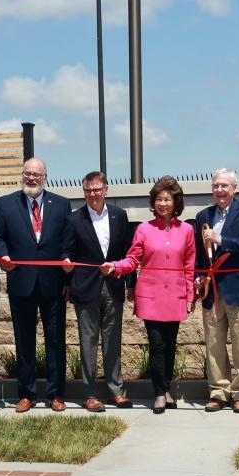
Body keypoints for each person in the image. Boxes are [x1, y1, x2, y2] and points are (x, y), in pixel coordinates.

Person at [100, 176, 195, 414]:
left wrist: (190, 295)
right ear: (154, 202)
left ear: (176, 202)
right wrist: (115, 267)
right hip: (151, 297)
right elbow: (132, 259)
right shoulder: (143, 228)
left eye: (167, 199)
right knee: (157, 345)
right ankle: (160, 394)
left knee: (171, 345)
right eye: (159, 199)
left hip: (175, 296)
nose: (163, 203)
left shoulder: (187, 230)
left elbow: (190, 265)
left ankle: (167, 387)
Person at [0, 157, 72, 414]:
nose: (31, 178)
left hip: (53, 284)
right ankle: (26, 394)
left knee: (55, 341)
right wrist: (2, 257)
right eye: (27, 173)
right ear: (22, 175)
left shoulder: (60, 204)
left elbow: (67, 243)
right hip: (21, 282)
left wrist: (67, 277)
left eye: (36, 174)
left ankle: (55, 394)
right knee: (24, 340)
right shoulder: (6, 203)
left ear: (45, 177)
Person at [62, 171, 135, 412]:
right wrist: (66, 266)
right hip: (85, 288)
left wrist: (130, 283)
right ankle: (90, 394)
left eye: (96, 189)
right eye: (88, 190)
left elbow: (129, 253)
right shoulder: (74, 219)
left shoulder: (119, 216)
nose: (92, 194)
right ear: (84, 193)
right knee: (88, 342)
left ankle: (116, 391)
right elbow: (67, 252)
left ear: (106, 190)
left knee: (113, 341)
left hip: (113, 285)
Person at [194, 168, 239, 413]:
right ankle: (218, 391)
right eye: (216, 186)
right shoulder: (203, 215)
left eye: (224, 186)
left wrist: (221, 239)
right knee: (214, 345)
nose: (220, 190)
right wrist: (198, 277)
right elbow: (199, 256)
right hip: (212, 292)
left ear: (234, 189)